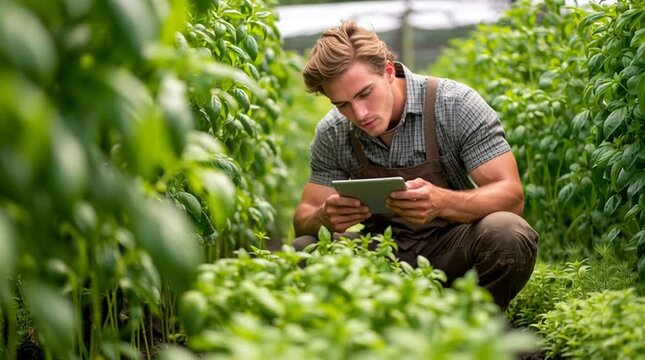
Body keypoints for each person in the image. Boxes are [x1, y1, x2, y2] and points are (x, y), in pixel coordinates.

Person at [291, 20, 538, 309]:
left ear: (387, 71)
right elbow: (303, 219)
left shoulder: (454, 104)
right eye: (342, 104)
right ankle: (366, 327)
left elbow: (511, 197)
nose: (359, 113)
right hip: (380, 257)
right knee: (304, 250)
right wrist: (324, 216)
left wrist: (442, 202)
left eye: (364, 93)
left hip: (454, 251)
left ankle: (477, 321)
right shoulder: (333, 132)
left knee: (507, 232)